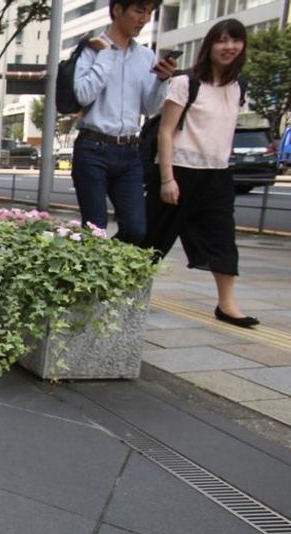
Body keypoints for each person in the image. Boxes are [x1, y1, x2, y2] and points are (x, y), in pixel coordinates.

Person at [145, 19, 258, 328]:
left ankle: (227, 305)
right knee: (152, 239)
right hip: (179, 170)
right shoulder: (186, 83)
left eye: (235, 41)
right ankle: (121, 292)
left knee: (223, 239)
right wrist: (167, 179)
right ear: (210, 45)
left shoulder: (238, 87)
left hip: (217, 175)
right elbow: (165, 132)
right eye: (222, 41)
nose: (229, 47)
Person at [72, 0, 176, 243]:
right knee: (95, 229)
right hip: (93, 148)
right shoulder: (90, 50)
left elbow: (149, 107)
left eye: (149, 13)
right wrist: (107, 55)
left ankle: (107, 268)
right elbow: (83, 95)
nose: (144, 18)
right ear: (118, 9)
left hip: (129, 151)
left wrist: (161, 81)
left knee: (137, 229)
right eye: (139, 11)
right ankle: (95, 270)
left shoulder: (145, 56)